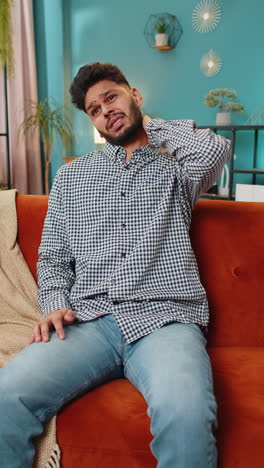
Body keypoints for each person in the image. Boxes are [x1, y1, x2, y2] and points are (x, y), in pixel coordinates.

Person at [0, 62, 231, 467]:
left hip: (165, 319)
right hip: (89, 321)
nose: (105, 110)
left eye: (112, 97)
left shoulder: (178, 168)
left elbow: (215, 149)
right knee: (5, 397)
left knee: (187, 416)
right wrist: (53, 303)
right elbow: (53, 256)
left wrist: (149, 127)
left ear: (135, 95)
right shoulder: (72, 178)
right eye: (94, 109)